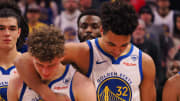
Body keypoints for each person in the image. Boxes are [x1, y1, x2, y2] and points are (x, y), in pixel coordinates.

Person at [15, 0, 156, 101]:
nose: (117, 51)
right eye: (111, 44)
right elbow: (22, 60)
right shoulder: (83, 51)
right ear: (101, 30)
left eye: (123, 45)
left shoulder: (145, 62)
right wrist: (47, 94)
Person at [8, 26, 96, 101]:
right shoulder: (16, 83)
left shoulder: (83, 86)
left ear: (62, 57)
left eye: (51, 65)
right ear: (32, 58)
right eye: (40, 65)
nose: (45, 72)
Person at [0, 1, 28, 101]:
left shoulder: (32, 65)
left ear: (19, 32)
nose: (7, 33)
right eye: (1, 28)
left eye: (12, 29)